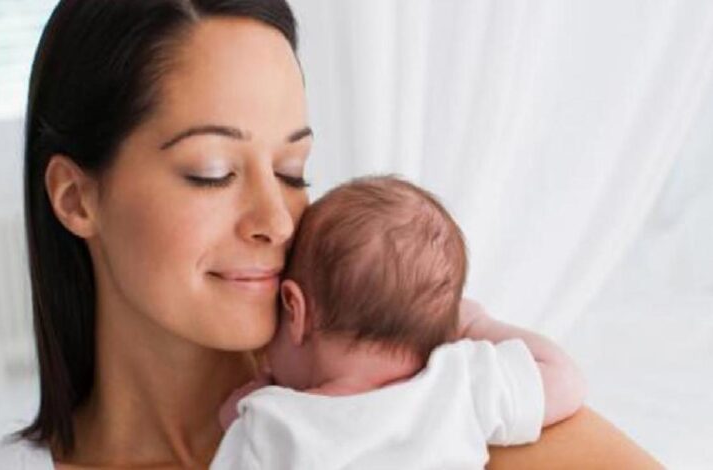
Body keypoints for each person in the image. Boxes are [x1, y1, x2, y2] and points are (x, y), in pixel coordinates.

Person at [0, 0, 662, 468]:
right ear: (76, 197)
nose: (277, 219)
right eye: (211, 172)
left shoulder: (432, 395)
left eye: (294, 170)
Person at [212, 176, 586, 469]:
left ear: (295, 310)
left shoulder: (271, 422)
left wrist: (236, 415)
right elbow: (564, 379)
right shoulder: (456, 383)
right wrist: (473, 323)